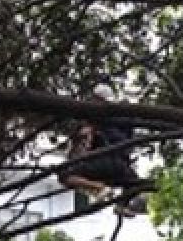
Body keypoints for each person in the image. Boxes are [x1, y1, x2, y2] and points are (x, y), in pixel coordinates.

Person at [58, 84, 148, 216]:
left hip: (106, 162)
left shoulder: (96, 119)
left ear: (96, 99)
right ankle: (120, 205)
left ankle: (99, 188)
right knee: (134, 182)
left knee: (64, 175)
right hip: (121, 166)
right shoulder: (121, 118)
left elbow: (86, 142)